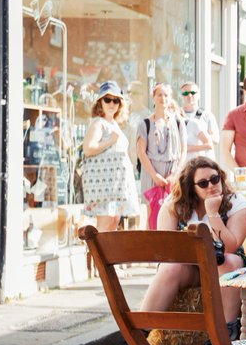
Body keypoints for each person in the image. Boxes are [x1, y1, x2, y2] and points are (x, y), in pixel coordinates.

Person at [113, 157, 246, 345]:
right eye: (203, 183)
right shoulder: (175, 204)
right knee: (171, 267)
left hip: (222, 265)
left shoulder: (237, 202)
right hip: (188, 264)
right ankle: (138, 336)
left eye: (215, 179)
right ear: (191, 187)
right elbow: (165, 248)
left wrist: (213, 213)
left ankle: (225, 334)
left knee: (229, 261)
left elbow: (231, 245)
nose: (212, 186)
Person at [80, 81, 140, 233]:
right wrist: (109, 141)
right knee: (105, 227)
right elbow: (88, 149)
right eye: (107, 99)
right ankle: (97, 257)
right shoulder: (99, 123)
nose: (111, 103)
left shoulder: (113, 123)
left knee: (113, 224)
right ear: (100, 101)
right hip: (104, 185)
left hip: (116, 186)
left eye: (116, 100)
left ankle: (105, 257)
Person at [137, 83, 188, 229]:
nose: (163, 98)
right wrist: (155, 176)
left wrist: (175, 173)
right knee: (152, 212)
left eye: (166, 95)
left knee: (172, 210)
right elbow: (141, 152)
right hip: (151, 171)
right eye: (159, 94)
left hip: (172, 171)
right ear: (153, 97)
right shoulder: (145, 123)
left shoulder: (178, 122)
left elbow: (184, 150)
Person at [179, 82, 219, 159]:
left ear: (199, 95)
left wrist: (191, 147)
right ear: (181, 96)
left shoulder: (207, 115)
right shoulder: (177, 115)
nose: (190, 96)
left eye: (193, 92)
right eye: (186, 93)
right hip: (184, 163)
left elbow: (216, 139)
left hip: (204, 161)